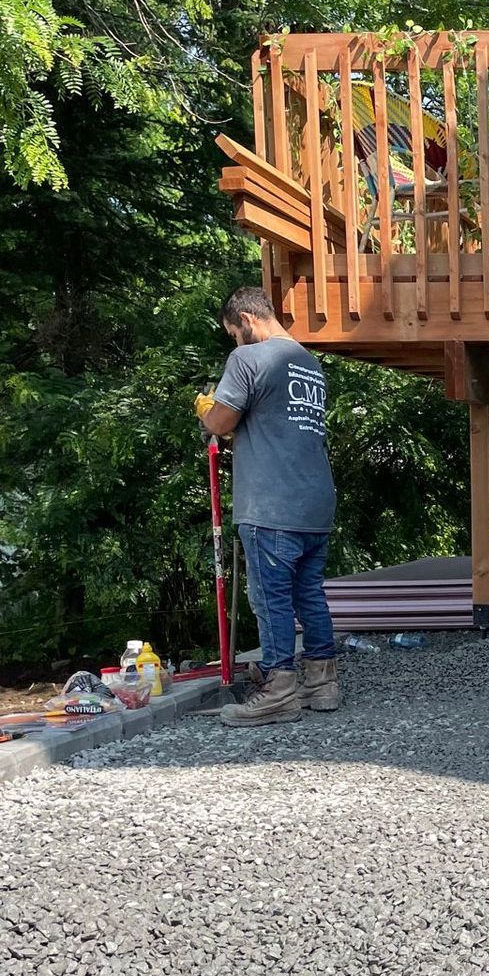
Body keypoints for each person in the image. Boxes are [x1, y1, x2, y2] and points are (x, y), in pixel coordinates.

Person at [195, 286, 340, 726]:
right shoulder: (309, 363)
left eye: (233, 333)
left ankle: (279, 689)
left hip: (271, 502)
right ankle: (322, 682)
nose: (234, 343)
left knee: (271, 598)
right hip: (315, 500)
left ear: (247, 319)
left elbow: (222, 421)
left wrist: (205, 409)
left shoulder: (247, 359)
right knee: (309, 594)